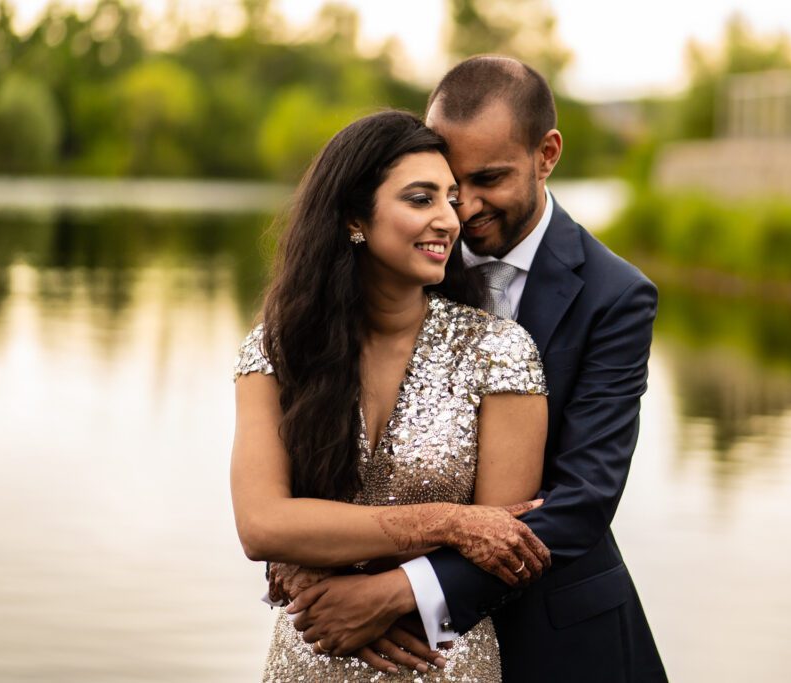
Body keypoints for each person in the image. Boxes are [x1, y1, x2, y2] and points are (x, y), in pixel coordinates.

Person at [279, 56, 668, 681]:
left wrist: (399, 595)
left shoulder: (615, 296)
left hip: (556, 635)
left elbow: (582, 502)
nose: (466, 209)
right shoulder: (404, 257)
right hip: (389, 651)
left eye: (490, 179)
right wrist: (300, 563)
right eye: (454, 184)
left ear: (547, 154)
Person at [230, 109, 553, 681]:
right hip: (314, 650)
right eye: (420, 199)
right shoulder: (279, 349)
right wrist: (450, 522)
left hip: (440, 657)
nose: (449, 221)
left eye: (450, 199)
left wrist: (366, 594)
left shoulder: (499, 351)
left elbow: (503, 545)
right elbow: (261, 525)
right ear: (355, 215)